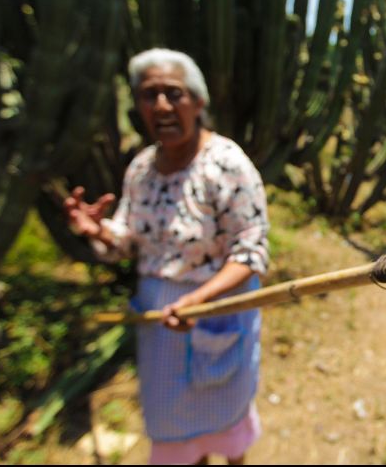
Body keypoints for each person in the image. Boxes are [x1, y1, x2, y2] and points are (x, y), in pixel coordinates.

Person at [64, 48, 269, 465]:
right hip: (161, 327)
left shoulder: (226, 164)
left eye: (173, 93)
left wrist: (199, 299)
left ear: (198, 102)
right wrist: (99, 232)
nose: (161, 106)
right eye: (148, 94)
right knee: (175, 430)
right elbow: (127, 240)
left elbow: (251, 252)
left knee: (227, 421)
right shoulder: (141, 169)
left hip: (217, 313)